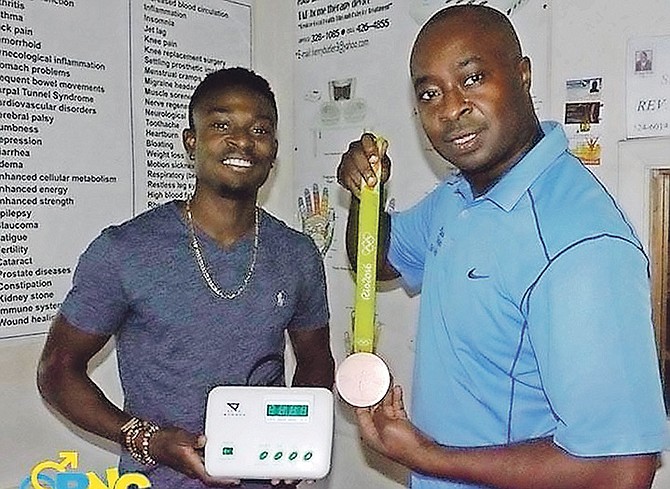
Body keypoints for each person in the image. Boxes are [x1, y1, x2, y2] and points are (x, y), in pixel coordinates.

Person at [336, 5, 668, 489]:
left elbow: (621, 470)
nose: (450, 109)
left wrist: (426, 455)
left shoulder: (581, 243)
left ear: (523, 75)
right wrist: (364, 198)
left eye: (471, 79)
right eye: (430, 93)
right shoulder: (460, 194)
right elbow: (380, 260)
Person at [37, 67, 335, 489]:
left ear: (273, 150)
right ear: (191, 142)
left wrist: (299, 438)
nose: (242, 140)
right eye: (221, 125)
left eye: (260, 129)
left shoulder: (297, 254)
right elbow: (57, 370)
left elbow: (316, 360)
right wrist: (146, 440)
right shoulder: (125, 250)